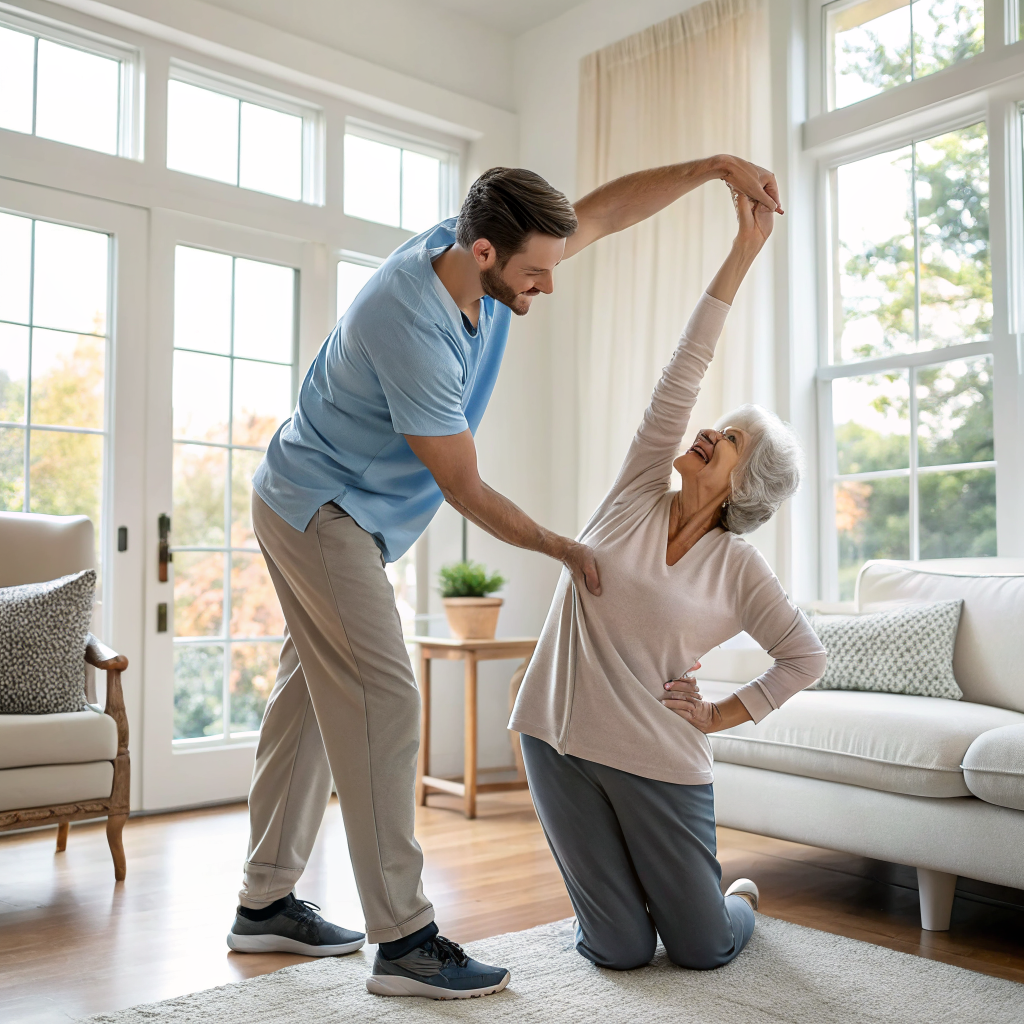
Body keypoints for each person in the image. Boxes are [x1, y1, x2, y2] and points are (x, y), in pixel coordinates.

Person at [226, 158, 784, 1000]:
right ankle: (406, 940)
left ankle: (265, 902)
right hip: (320, 506)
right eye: (536, 274)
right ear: (483, 251)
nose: (547, 288)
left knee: (310, 698)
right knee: (385, 698)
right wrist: (565, 548)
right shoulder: (408, 319)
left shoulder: (483, 267)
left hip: (339, 509)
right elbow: (465, 488)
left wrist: (710, 171)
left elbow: (602, 214)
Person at [508, 189, 827, 973]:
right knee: (616, 951)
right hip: (557, 737)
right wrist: (743, 249)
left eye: (731, 441)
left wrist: (719, 715)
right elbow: (685, 367)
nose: (709, 430)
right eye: (720, 423)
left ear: (744, 486)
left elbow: (804, 657)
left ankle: (734, 903)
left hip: (658, 758)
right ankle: (627, 908)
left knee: (702, 948)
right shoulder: (638, 490)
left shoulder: (739, 568)